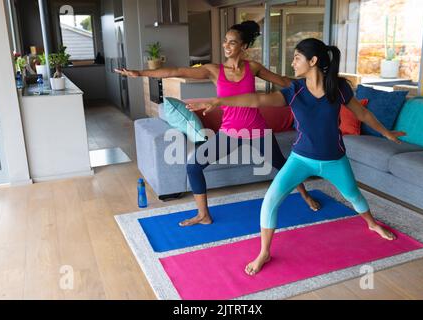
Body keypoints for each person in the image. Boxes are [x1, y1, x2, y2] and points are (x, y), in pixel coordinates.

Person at [187, 38, 403, 275]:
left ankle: (372, 224)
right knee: (270, 201)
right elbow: (258, 99)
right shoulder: (294, 91)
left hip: (335, 160)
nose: (292, 63)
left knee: (354, 196)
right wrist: (219, 101)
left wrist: (386, 133)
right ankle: (264, 253)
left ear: (313, 61)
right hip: (300, 159)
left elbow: (361, 112)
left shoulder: (338, 88)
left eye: (297, 58)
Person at [115, 21, 320, 227]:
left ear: (244, 47)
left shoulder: (253, 68)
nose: (226, 46)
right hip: (229, 133)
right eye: (225, 42)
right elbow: (176, 71)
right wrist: (140, 73)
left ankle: (306, 196)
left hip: (257, 130)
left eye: (232, 42)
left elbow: (283, 81)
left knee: (282, 165)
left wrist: (315, 81)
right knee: (194, 165)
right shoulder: (214, 70)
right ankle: (203, 215)